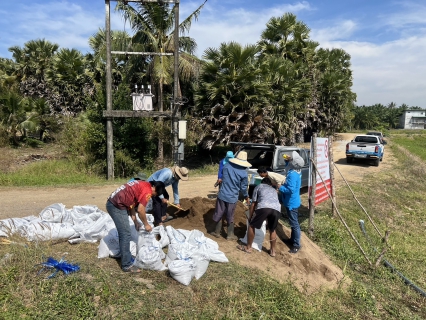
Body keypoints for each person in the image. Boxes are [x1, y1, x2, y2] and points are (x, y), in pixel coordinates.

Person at [106, 180, 166, 272]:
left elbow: (131, 205)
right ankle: (126, 265)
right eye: (155, 194)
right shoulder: (148, 190)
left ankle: (126, 258)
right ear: (154, 188)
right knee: (125, 234)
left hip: (115, 202)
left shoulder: (142, 184)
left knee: (125, 233)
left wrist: (135, 222)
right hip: (116, 205)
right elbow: (141, 210)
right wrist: (146, 224)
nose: (153, 196)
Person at [211, 151, 251, 240]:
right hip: (232, 197)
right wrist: (246, 196)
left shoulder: (227, 166)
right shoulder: (244, 173)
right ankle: (230, 235)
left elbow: (222, 177)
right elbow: (243, 188)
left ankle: (217, 232)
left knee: (219, 212)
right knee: (230, 214)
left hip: (222, 194)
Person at [237, 177, 281, 256]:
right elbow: (272, 203)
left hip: (264, 207)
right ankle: (272, 251)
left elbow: (253, 203)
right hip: (277, 209)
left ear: (262, 182)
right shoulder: (274, 190)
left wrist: (251, 217)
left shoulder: (258, 187)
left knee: (252, 225)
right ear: (270, 184)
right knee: (272, 229)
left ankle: (248, 247)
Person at [279, 151, 304, 254]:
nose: (290, 159)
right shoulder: (297, 170)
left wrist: (280, 187)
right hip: (293, 201)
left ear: (294, 163)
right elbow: (288, 168)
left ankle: (296, 245)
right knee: (293, 223)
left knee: (294, 224)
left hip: (291, 202)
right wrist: (287, 161)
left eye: (292, 159)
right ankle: (292, 240)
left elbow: (291, 190)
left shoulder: (293, 175)